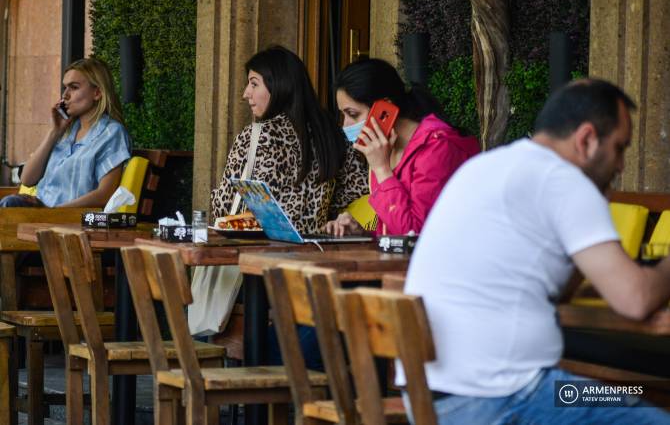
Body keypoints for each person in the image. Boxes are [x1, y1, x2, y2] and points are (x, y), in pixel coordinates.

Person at [400, 79, 670, 423]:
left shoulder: (486, 166)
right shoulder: (563, 180)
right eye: (619, 148)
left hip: (434, 398)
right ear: (587, 139)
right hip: (508, 397)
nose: (620, 166)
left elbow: (558, 290)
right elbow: (635, 299)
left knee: (625, 394)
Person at [191, 46, 368, 369]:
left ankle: (244, 377)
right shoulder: (334, 136)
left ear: (280, 85)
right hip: (311, 272)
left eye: (254, 83)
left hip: (258, 275)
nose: (246, 94)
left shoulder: (257, 135)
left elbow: (226, 209)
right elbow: (354, 195)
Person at [325, 58, 479, 237]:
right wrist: (362, 234)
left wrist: (382, 170)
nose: (345, 125)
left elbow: (414, 235)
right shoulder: (384, 150)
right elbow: (392, 230)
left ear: (384, 110)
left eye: (352, 114)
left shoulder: (437, 148)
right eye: (343, 115)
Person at [0, 58, 131, 208]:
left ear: (97, 93)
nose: (65, 95)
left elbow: (105, 194)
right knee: (10, 203)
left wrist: (53, 213)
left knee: (8, 205)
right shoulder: (67, 131)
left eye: (74, 87)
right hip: (42, 210)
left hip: (68, 217)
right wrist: (54, 132)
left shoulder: (111, 133)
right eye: (65, 88)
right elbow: (27, 179)